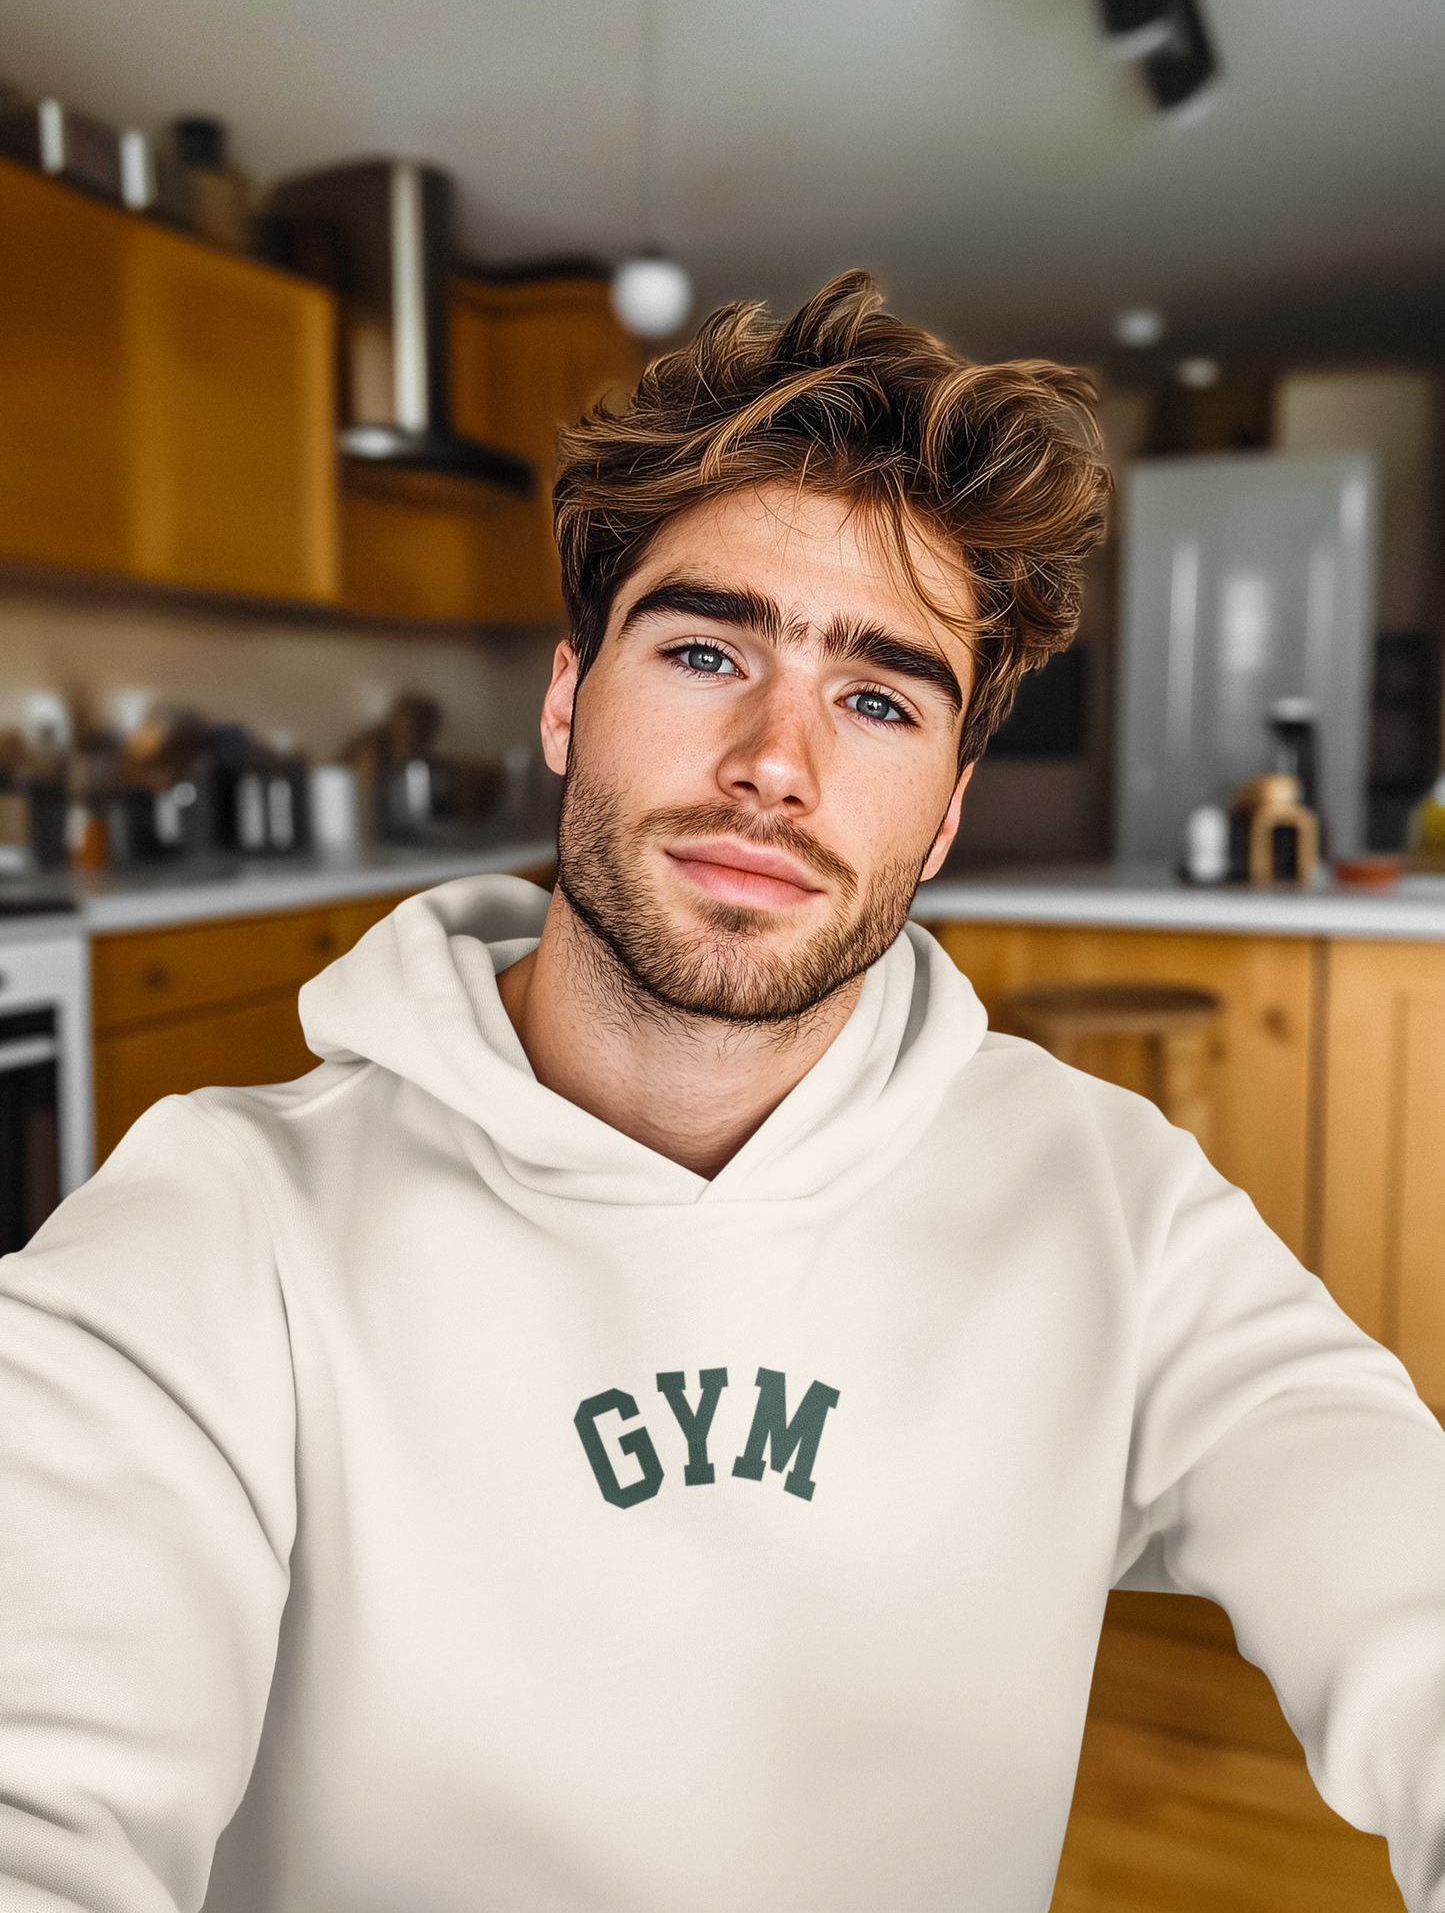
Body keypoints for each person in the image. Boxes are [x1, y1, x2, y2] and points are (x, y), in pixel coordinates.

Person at [2, 272, 1444, 1913]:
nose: (777, 760)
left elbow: (1389, 1544)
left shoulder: (1110, 1200)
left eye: (880, 697)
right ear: (566, 698)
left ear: (951, 807)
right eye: (705, 649)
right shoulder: (216, 1233)